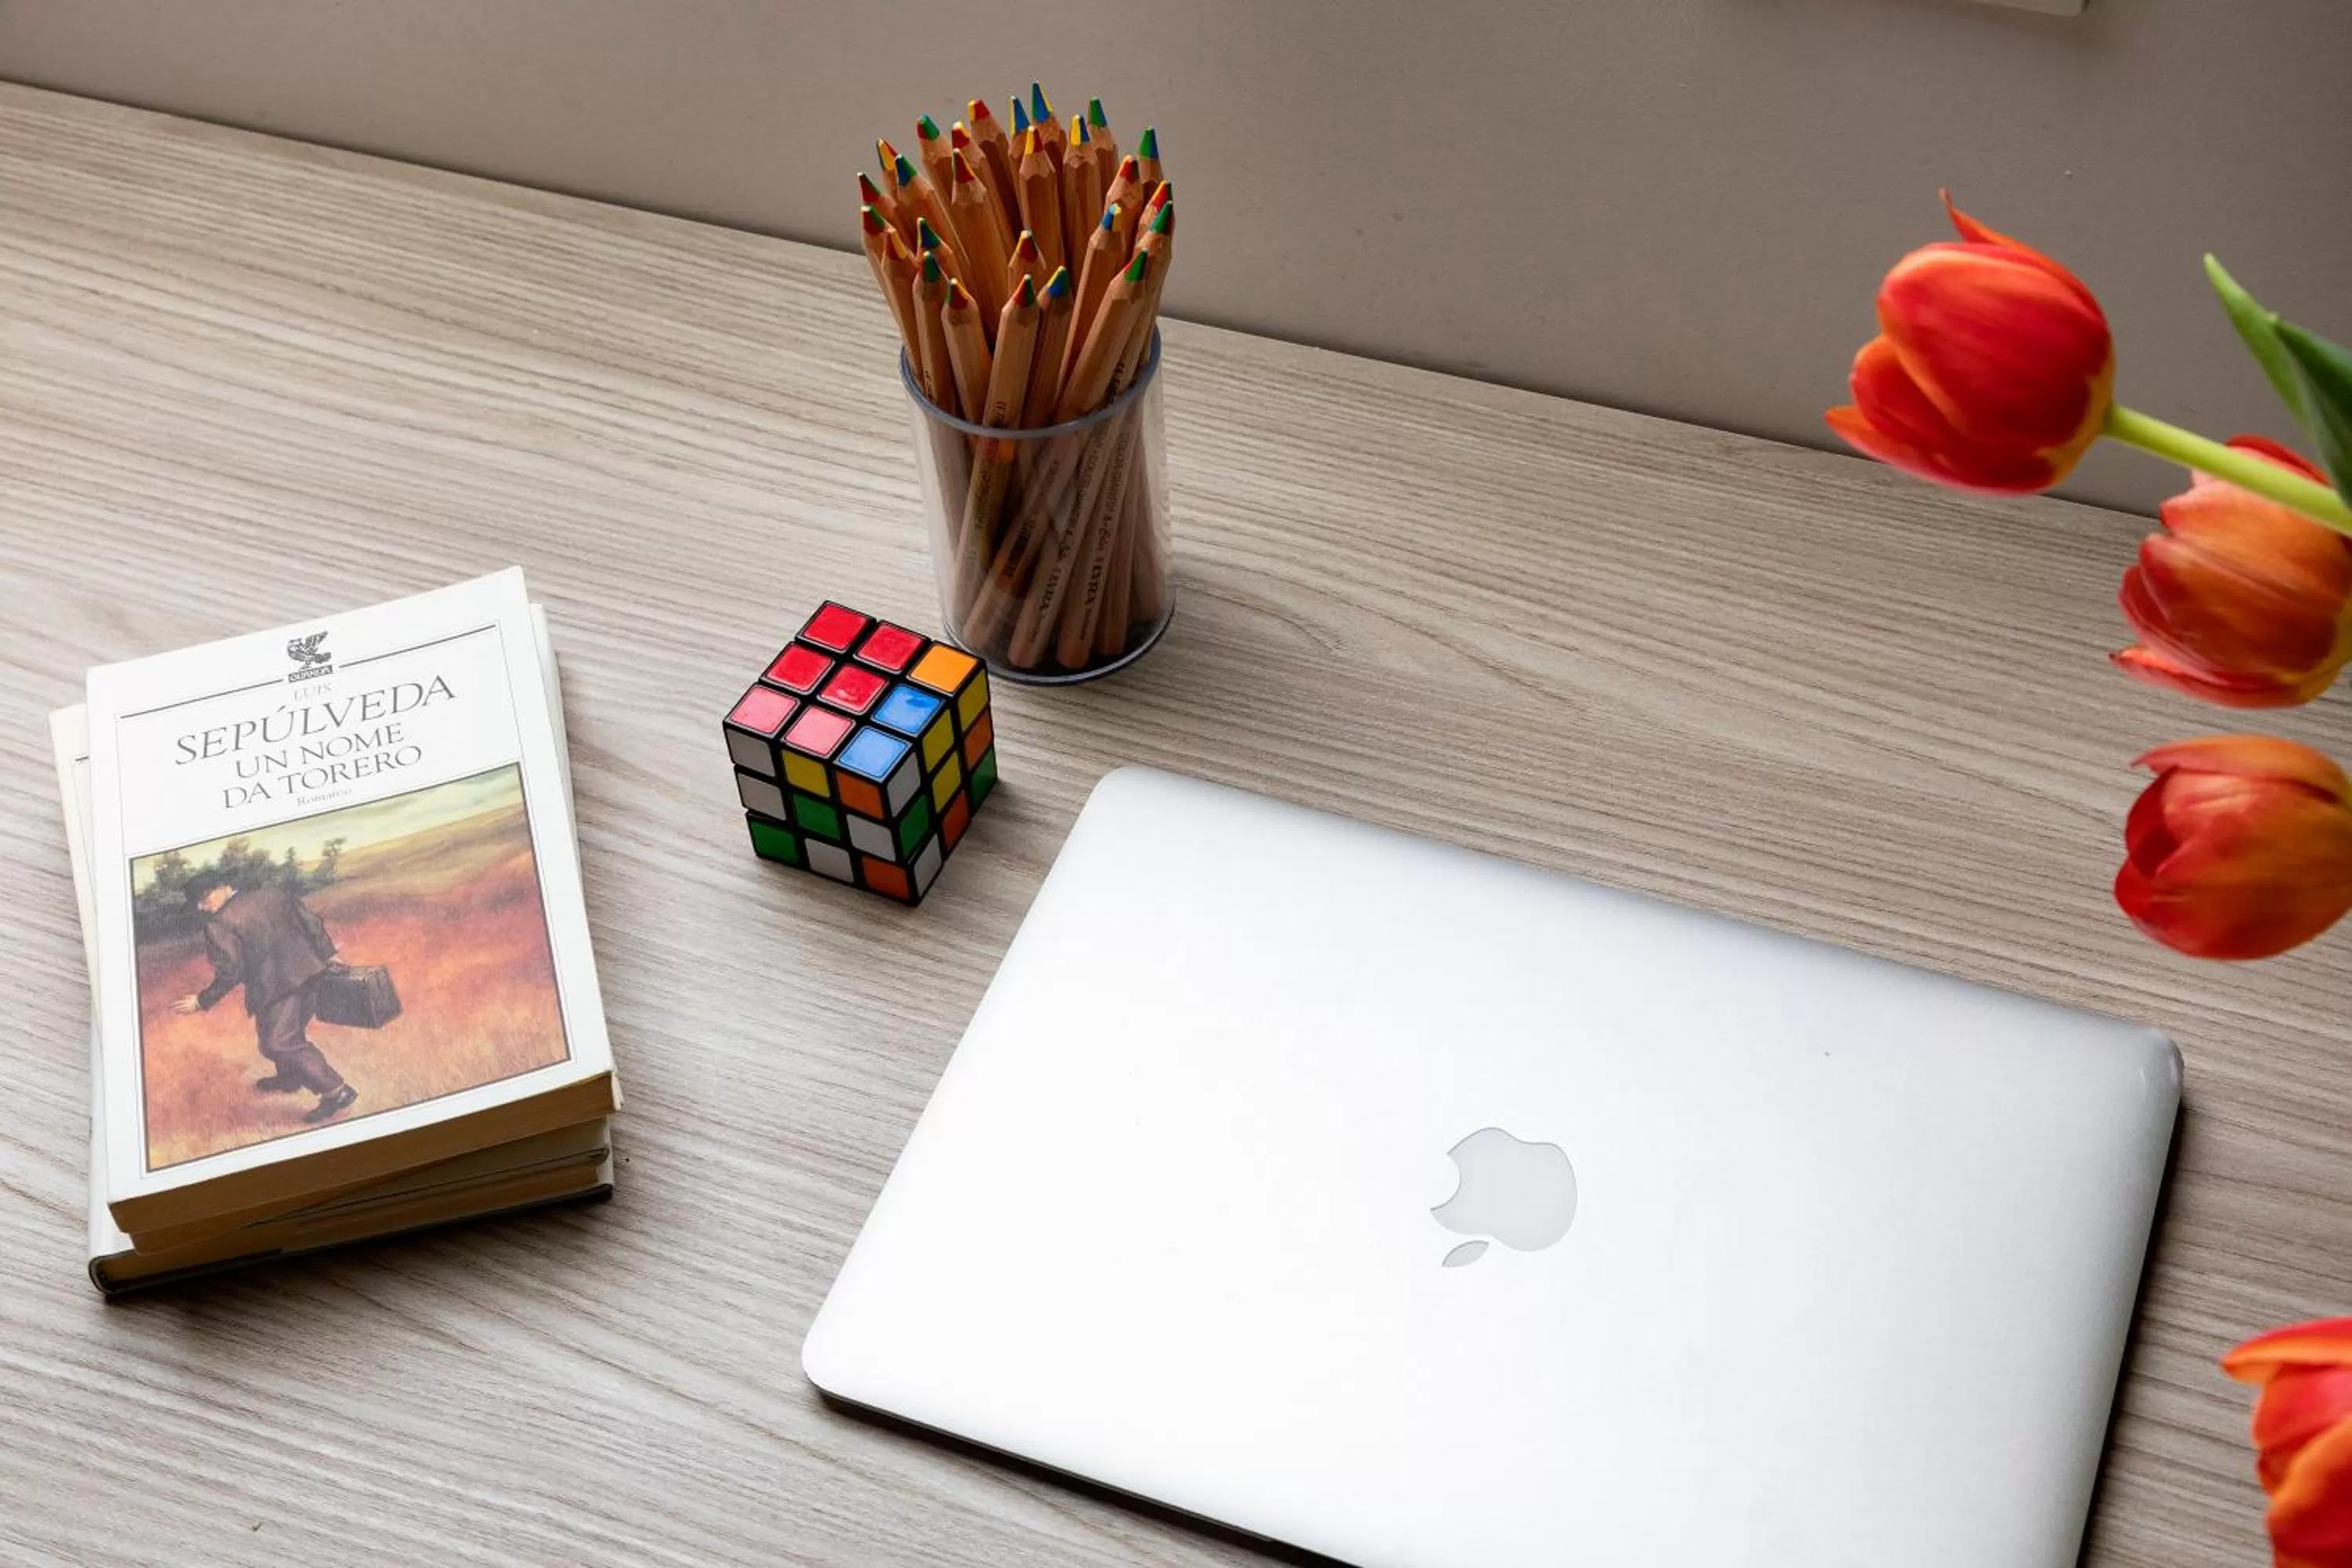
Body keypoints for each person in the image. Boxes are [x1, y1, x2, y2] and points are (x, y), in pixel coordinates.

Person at [170, 868, 358, 1123]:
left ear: (223, 886)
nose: (203, 907)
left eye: (204, 898)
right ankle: (291, 1078)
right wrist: (328, 955)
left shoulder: (219, 925)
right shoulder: (276, 894)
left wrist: (202, 1000)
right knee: (291, 1031)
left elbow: (231, 972)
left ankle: (336, 1091)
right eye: (198, 903)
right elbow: (312, 924)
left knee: (277, 1043)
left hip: (275, 989)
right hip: (312, 974)